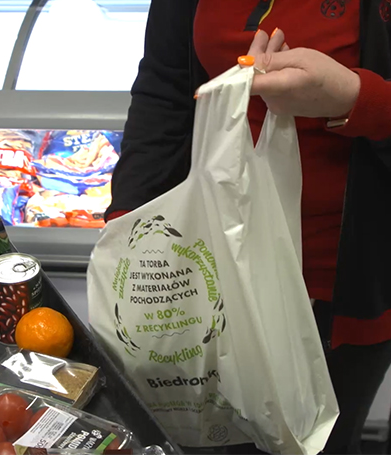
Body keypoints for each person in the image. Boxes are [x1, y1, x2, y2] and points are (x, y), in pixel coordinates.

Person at [106, 1, 391, 453]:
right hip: (209, 271)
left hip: (348, 279)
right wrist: (130, 226)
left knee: (324, 442)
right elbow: (165, 88)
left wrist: (357, 98)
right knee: (210, 439)